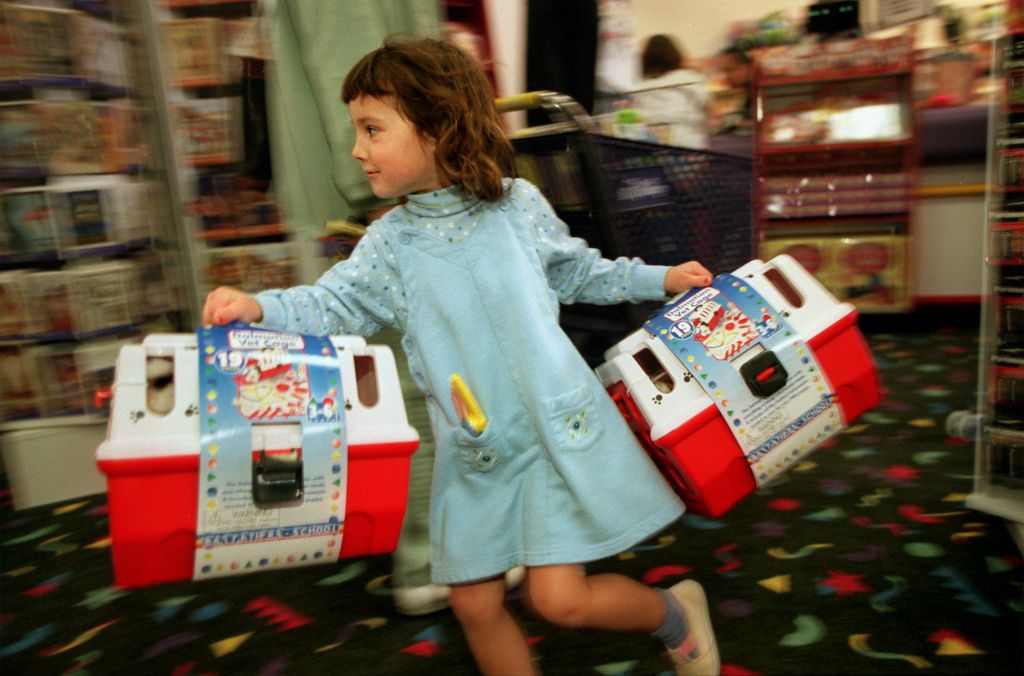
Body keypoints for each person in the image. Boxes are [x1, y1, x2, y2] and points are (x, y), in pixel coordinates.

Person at [203, 36, 719, 676]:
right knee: (474, 606)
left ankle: (675, 616)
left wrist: (657, 278)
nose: (358, 149)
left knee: (557, 601)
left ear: (439, 127)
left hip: (551, 434)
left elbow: (577, 272)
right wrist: (261, 309)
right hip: (476, 455)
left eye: (372, 129)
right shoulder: (389, 243)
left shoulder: (517, 205)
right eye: (356, 131)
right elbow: (332, 304)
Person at [632, 34, 710, 149]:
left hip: (656, 145)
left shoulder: (642, 86)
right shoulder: (690, 78)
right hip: (692, 143)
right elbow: (706, 105)